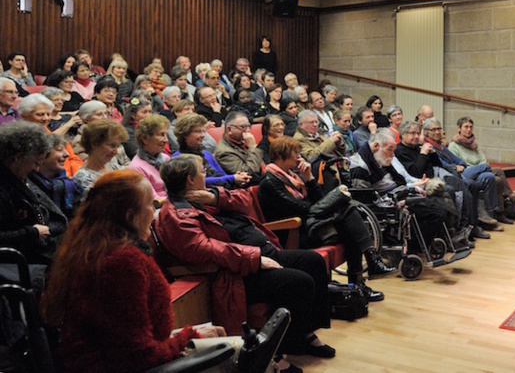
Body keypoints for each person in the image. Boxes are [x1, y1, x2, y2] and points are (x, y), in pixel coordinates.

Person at [155, 155, 334, 366]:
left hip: (259, 254)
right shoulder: (175, 215)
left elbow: (246, 200)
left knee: (314, 261)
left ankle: (304, 334)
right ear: (190, 179)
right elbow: (205, 250)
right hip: (234, 274)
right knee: (298, 281)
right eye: (202, 171)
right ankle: (278, 350)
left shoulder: (203, 198)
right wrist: (255, 259)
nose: (206, 174)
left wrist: (215, 198)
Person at [40, 170, 226, 372]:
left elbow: (127, 338)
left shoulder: (94, 249)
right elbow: (138, 357)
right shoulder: (121, 263)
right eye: (151, 204)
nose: (155, 211)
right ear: (130, 216)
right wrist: (189, 338)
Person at [259, 136, 394, 300]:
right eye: (295, 153)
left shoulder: (294, 176)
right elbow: (300, 209)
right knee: (347, 209)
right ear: (281, 156)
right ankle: (368, 267)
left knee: (349, 221)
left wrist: (309, 178)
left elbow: (317, 200)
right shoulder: (269, 181)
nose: (299, 157)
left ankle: (359, 285)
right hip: (293, 232)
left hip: (310, 224)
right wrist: (327, 206)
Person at [0, 121, 67, 294]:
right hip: (20, 261)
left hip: (39, 252)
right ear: (17, 157)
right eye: (36, 162)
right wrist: (32, 233)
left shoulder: (19, 175)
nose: (37, 168)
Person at [449, 116, 515, 217]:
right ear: (459, 128)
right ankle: (513, 198)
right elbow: (460, 164)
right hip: (468, 174)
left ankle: (499, 212)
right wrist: (479, 168)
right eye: (466, 127)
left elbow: (483, 160)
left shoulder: (473, 144)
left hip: (481, 171)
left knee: (498, 179)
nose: (469, 129)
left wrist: (481, 168)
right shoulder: (453, 146)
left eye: (471, 127)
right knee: (498, 170)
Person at [173, 113, 252, 189]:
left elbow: (222, 176)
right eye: (197, 131)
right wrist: (232, 178)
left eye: (203, 131)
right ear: (184, 135)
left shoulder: (206, 154)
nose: (202, 135)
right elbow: (198, 182)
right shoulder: (178, 158)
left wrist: (238, 177)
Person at [18, 93, 84, 177]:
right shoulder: (21, 138)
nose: (45, 118)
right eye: (40, 114)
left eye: (48, 114)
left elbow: (73, 157)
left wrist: (76, 176)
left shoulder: (48, 131)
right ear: (24, 116)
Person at [28, 133, 85, 221]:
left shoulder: (72, 185)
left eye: (65, 150)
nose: (67, 154)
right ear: (42, 155)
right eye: (59, 150)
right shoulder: (28, 185)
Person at [73, 119, 129, 193]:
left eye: (117, 146)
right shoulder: (83, 178)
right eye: (112, 145)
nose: (115, 152)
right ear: (94, 144)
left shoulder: (113, 167)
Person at [213, 111, 265, 185]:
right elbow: (250, 174)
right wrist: (252, 147)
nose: (248, 130)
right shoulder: (224, 153)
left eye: (248, 126)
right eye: (243, 127)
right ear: (229, 130)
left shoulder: (242, 141)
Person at [128, 114, 171, 199]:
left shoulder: (165, 158)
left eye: (166, 135)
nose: (166, 140)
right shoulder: (136, 168)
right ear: (145, 139)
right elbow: (153, 200)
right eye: (161, 135)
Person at [121, 95, 154, 159]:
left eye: (150, 112)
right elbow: (134, 152)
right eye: (144, 112)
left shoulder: (154, 127)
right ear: (133, 115)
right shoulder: (127, 131)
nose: (148, 115)